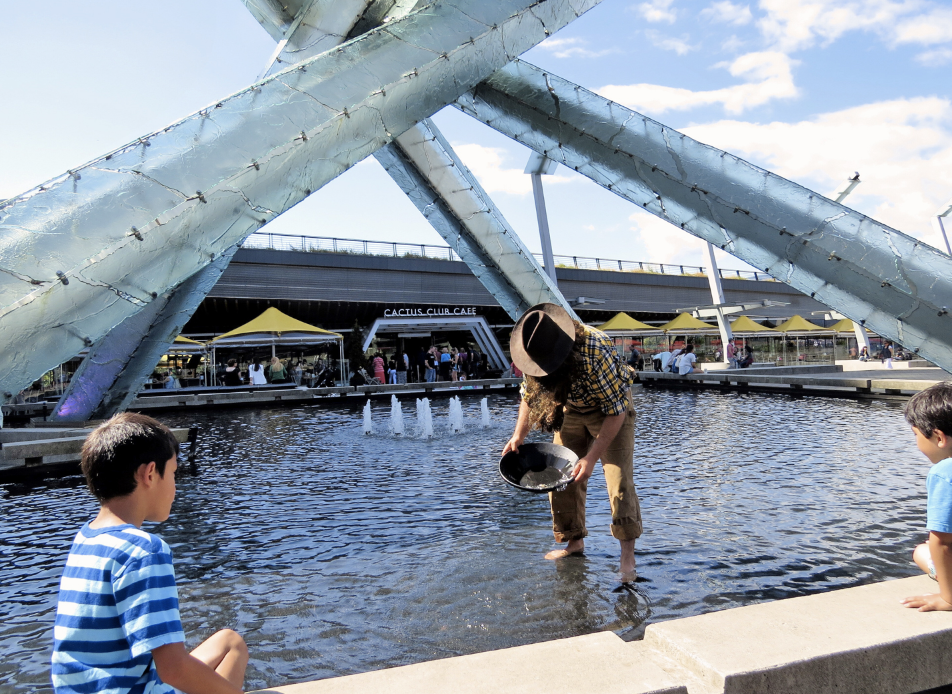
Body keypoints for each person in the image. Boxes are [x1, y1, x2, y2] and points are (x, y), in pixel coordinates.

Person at [51, 413, 248, 694]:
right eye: (174, 473)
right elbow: (174, 669)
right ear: (150, 473)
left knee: (228, 642)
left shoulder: (86, 539)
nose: (175, 487)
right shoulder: (144, 551)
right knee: (232, 646)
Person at [502, 303, 641, 577]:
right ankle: (574, 542)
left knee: (619, 481)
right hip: (571, 410)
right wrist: (519, 434)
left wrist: (591, 458)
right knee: (560, 476)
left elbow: (616, 411)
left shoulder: (594, 349)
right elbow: (529, 396)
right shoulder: (534, 353)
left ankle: (627, 557)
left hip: (610, 411)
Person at [901, 383, 952, 612]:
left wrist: (948, 599)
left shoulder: (945, 473)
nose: (916, 444)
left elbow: (942, 542)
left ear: (939, 437)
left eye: (916, 434)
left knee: (921, 552)